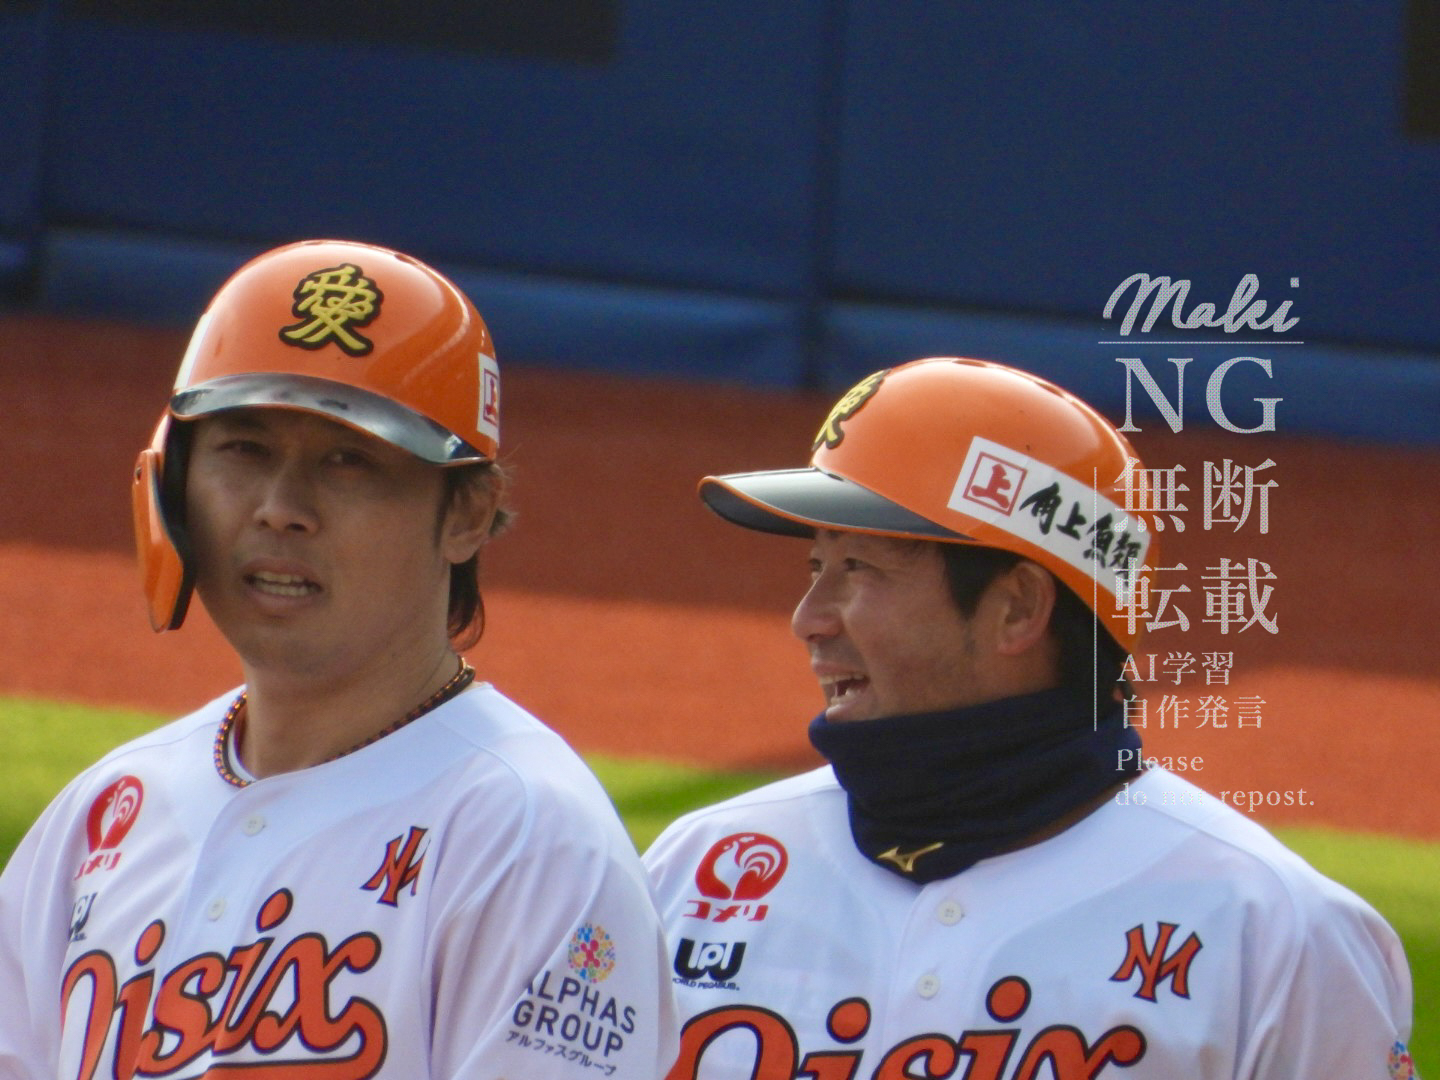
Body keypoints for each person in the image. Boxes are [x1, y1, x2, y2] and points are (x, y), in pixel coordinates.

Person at [0, 240, 678, 1078]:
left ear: (468, 513)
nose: (281, 508)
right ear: (173, 483)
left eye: (349, 460)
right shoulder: (106, 811)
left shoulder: (528, 840)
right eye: (244, 449)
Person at [643, 357, 1417, 1080]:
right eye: (817, 566)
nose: (809, 619)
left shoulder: (1273, 933)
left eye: (859, 568)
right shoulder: (697, 868)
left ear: (1017, 607)